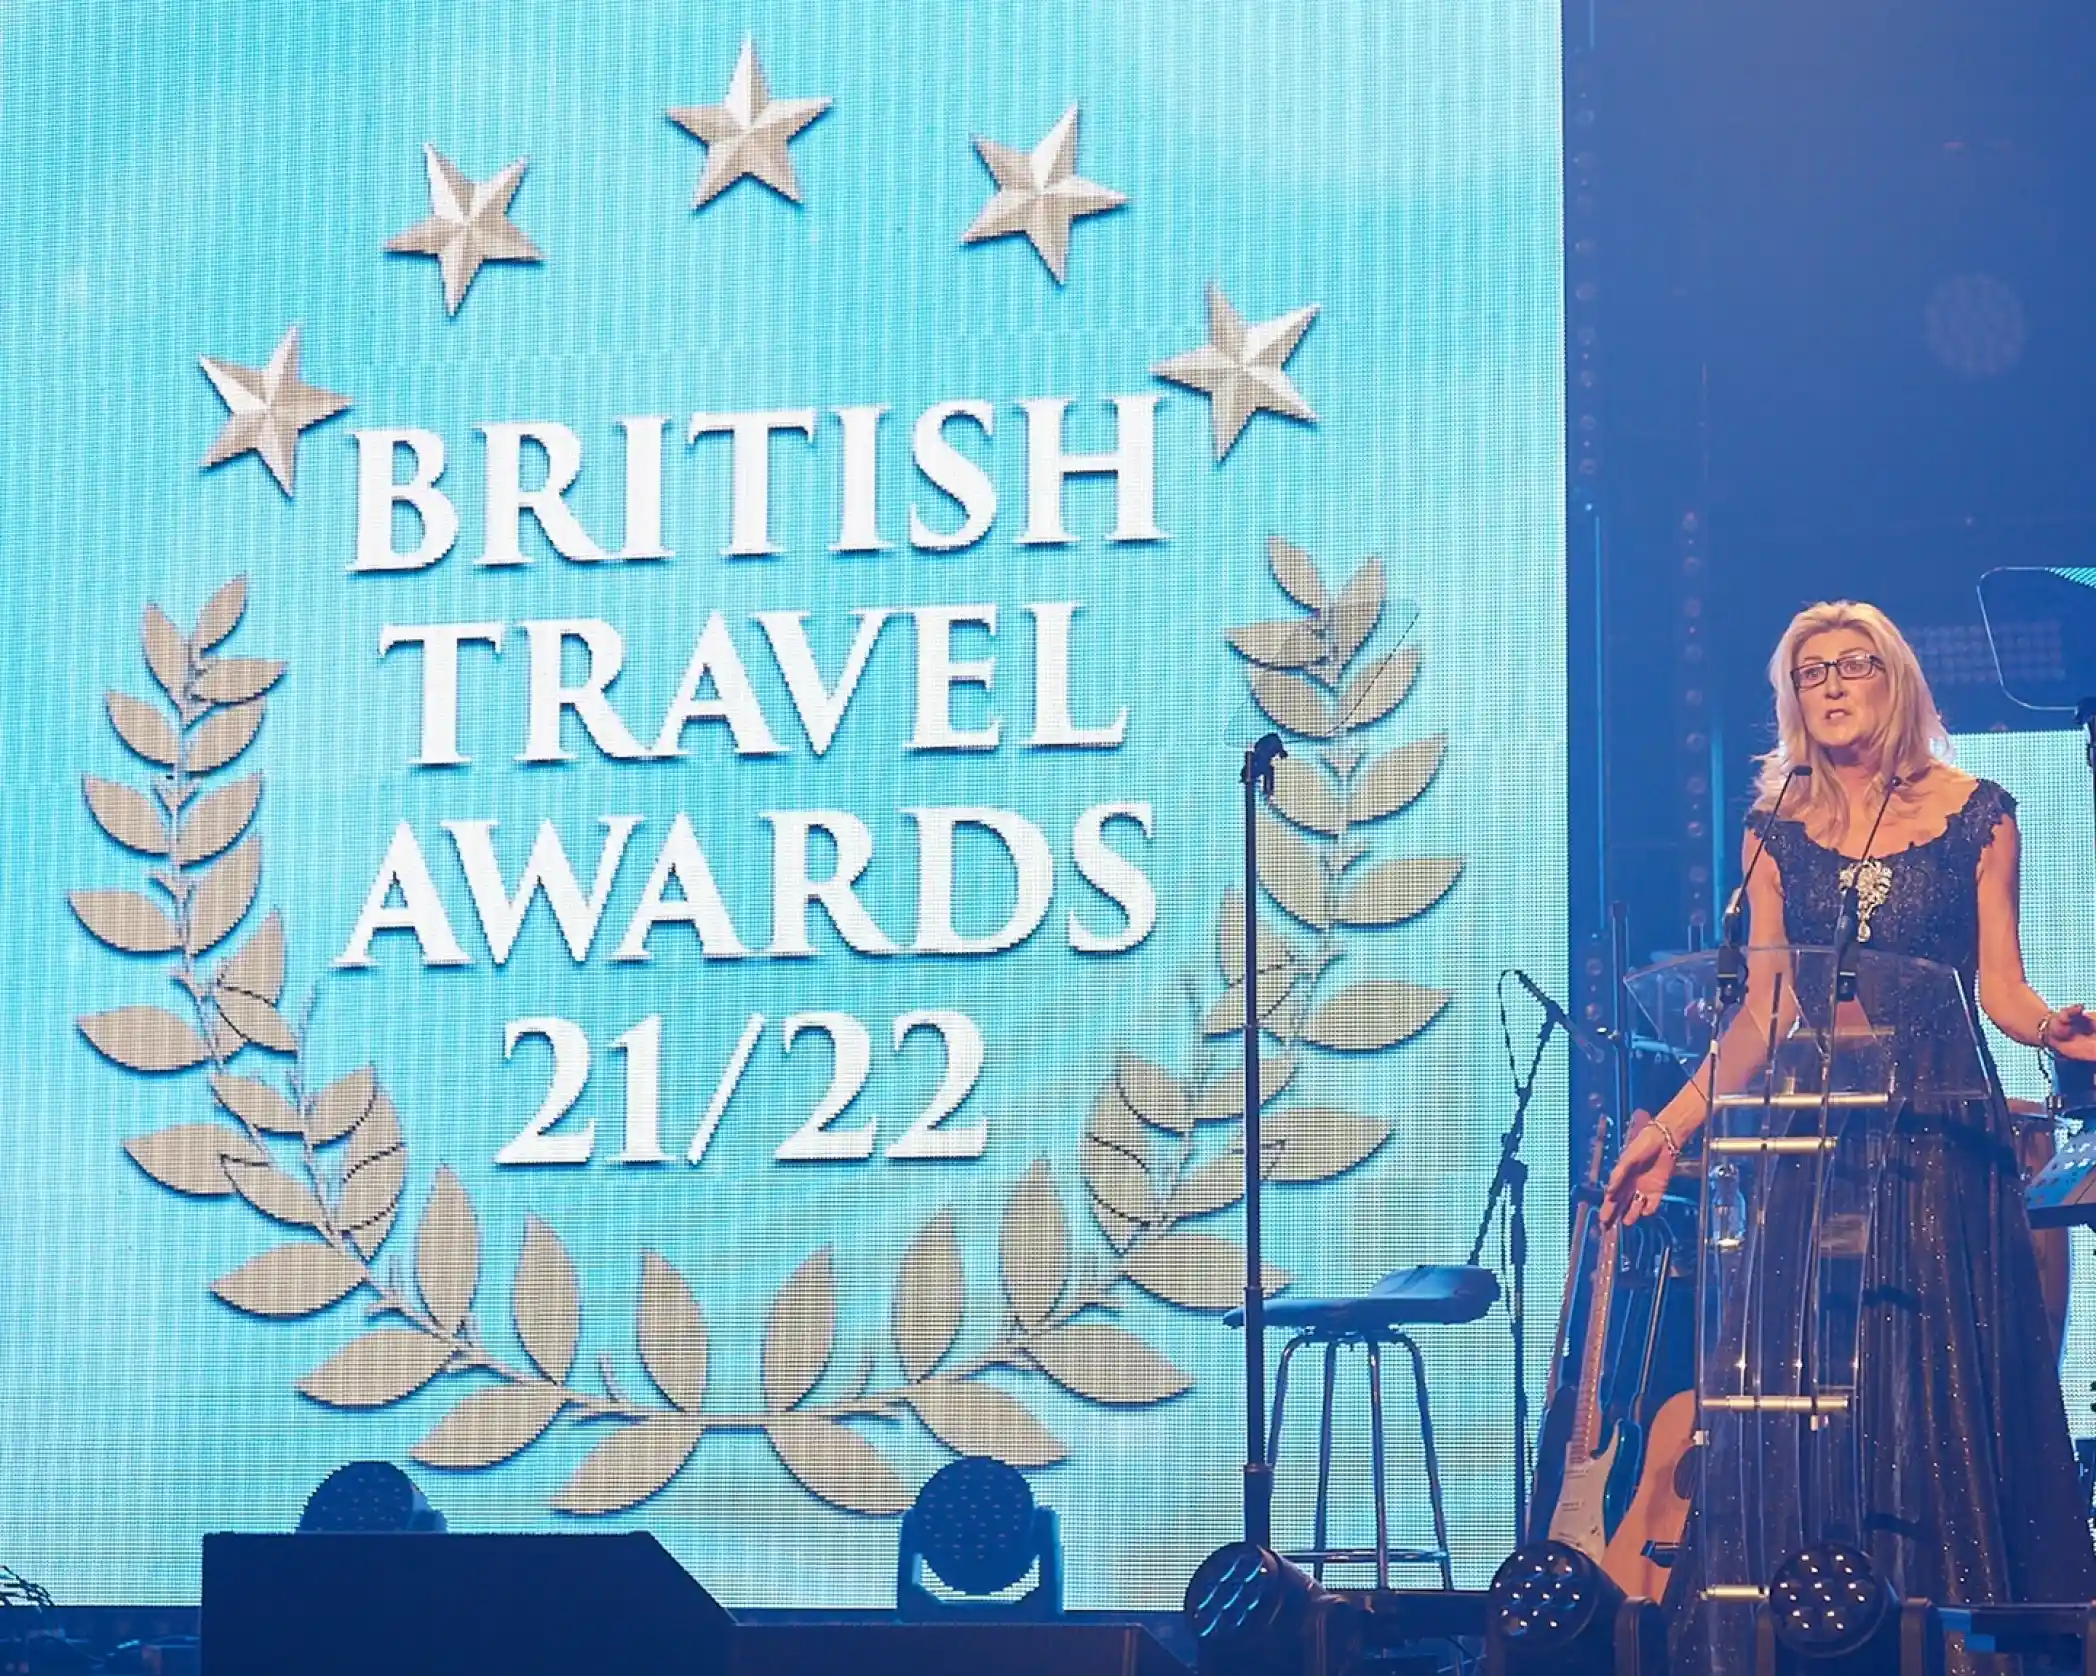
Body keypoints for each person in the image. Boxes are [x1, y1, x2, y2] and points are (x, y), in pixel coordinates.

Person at [1601, 600, 2096, 1660]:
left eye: (1851, 664)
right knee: (1794, 1380)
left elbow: (1999, 988)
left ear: (1895, 679)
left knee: (1925, 1382)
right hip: (1810, 1141)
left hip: (1935, 1137)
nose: (1828, 683)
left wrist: (2055, 1024)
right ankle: (1793, 1624)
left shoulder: (1976, 812)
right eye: (1807, 670)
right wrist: (1676, 1130)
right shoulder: (1775, 825)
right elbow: (1759, 1013)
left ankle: (1942, 1629)